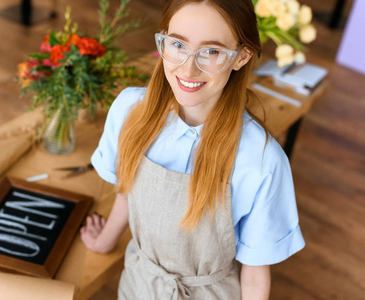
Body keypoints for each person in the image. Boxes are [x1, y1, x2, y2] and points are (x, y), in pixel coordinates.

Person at [80, 0, 305, 299]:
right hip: (138, 284)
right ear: (163, 40)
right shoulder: (128, 110)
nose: (188, 68)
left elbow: (254, 272)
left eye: (211, 51)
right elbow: (129, 189)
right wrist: (106, 240)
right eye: (178, 44)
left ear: (241, 56)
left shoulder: (262, 160)